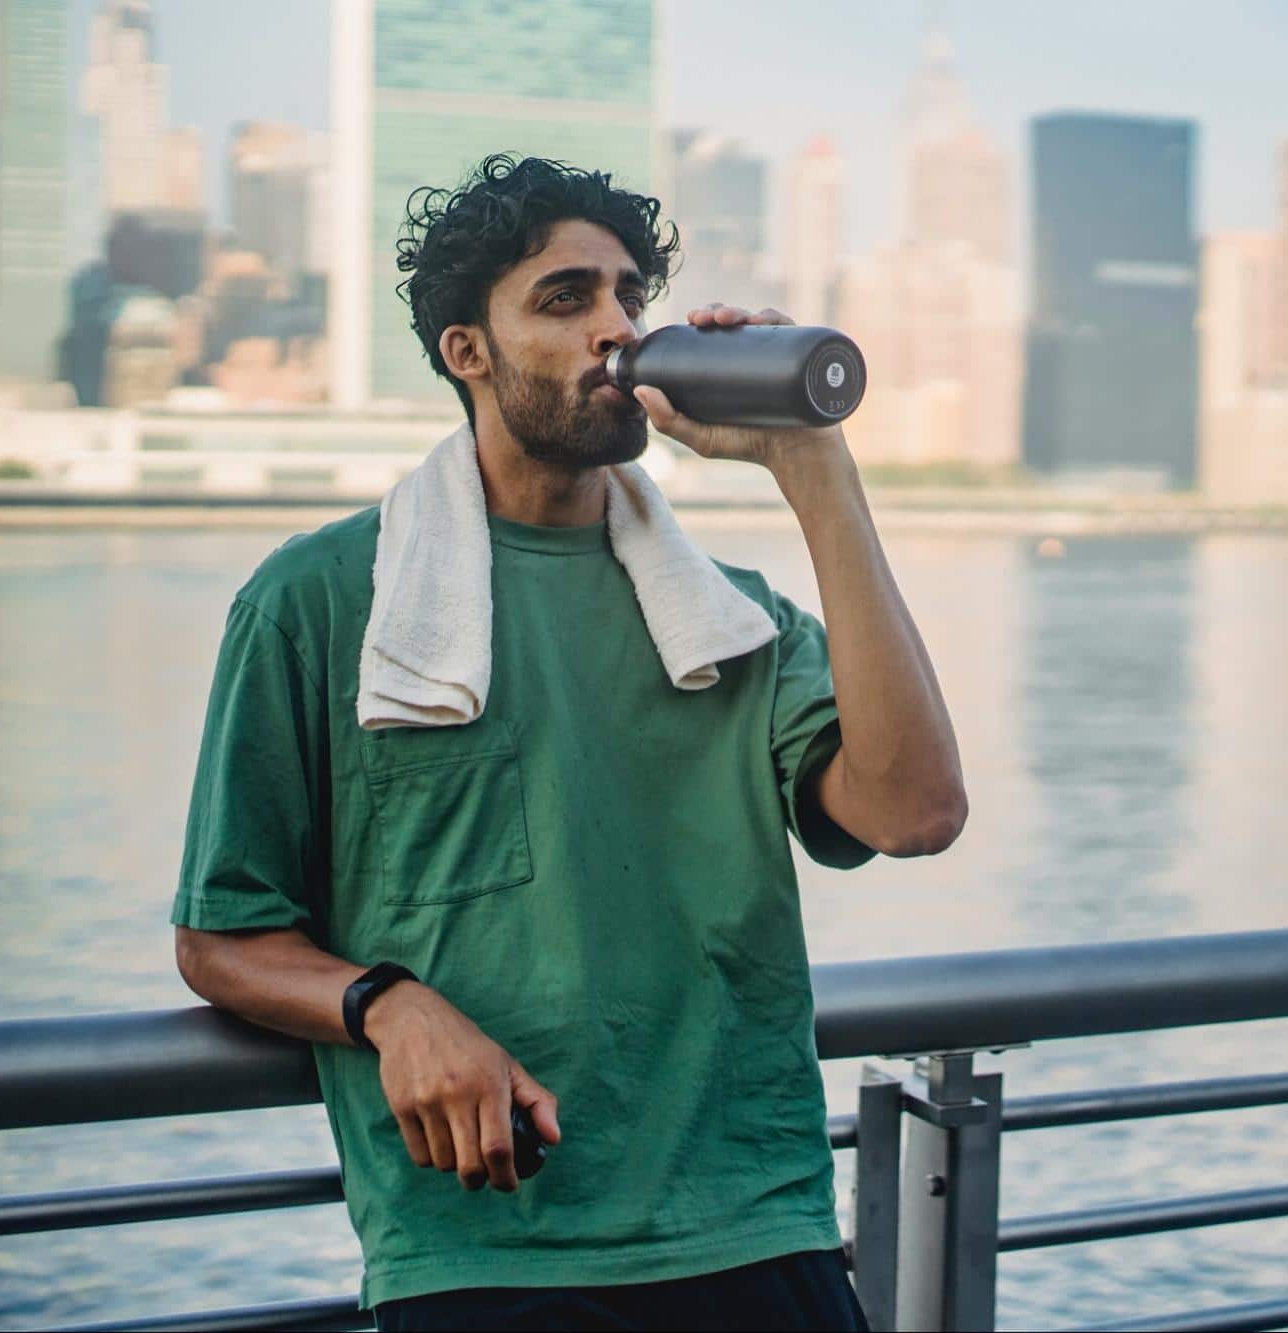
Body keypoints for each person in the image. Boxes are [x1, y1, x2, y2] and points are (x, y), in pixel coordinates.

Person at [169, 154, 966, 1332]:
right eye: (565, 298)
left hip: (757, 1225)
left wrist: (816, 469)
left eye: (630, 296)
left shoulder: (732, 616)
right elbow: (223, 937)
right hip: (484, 1252)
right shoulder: (324, 602)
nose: (617, 329)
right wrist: (390, 1005)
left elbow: (914, 813)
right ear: (467, 352)